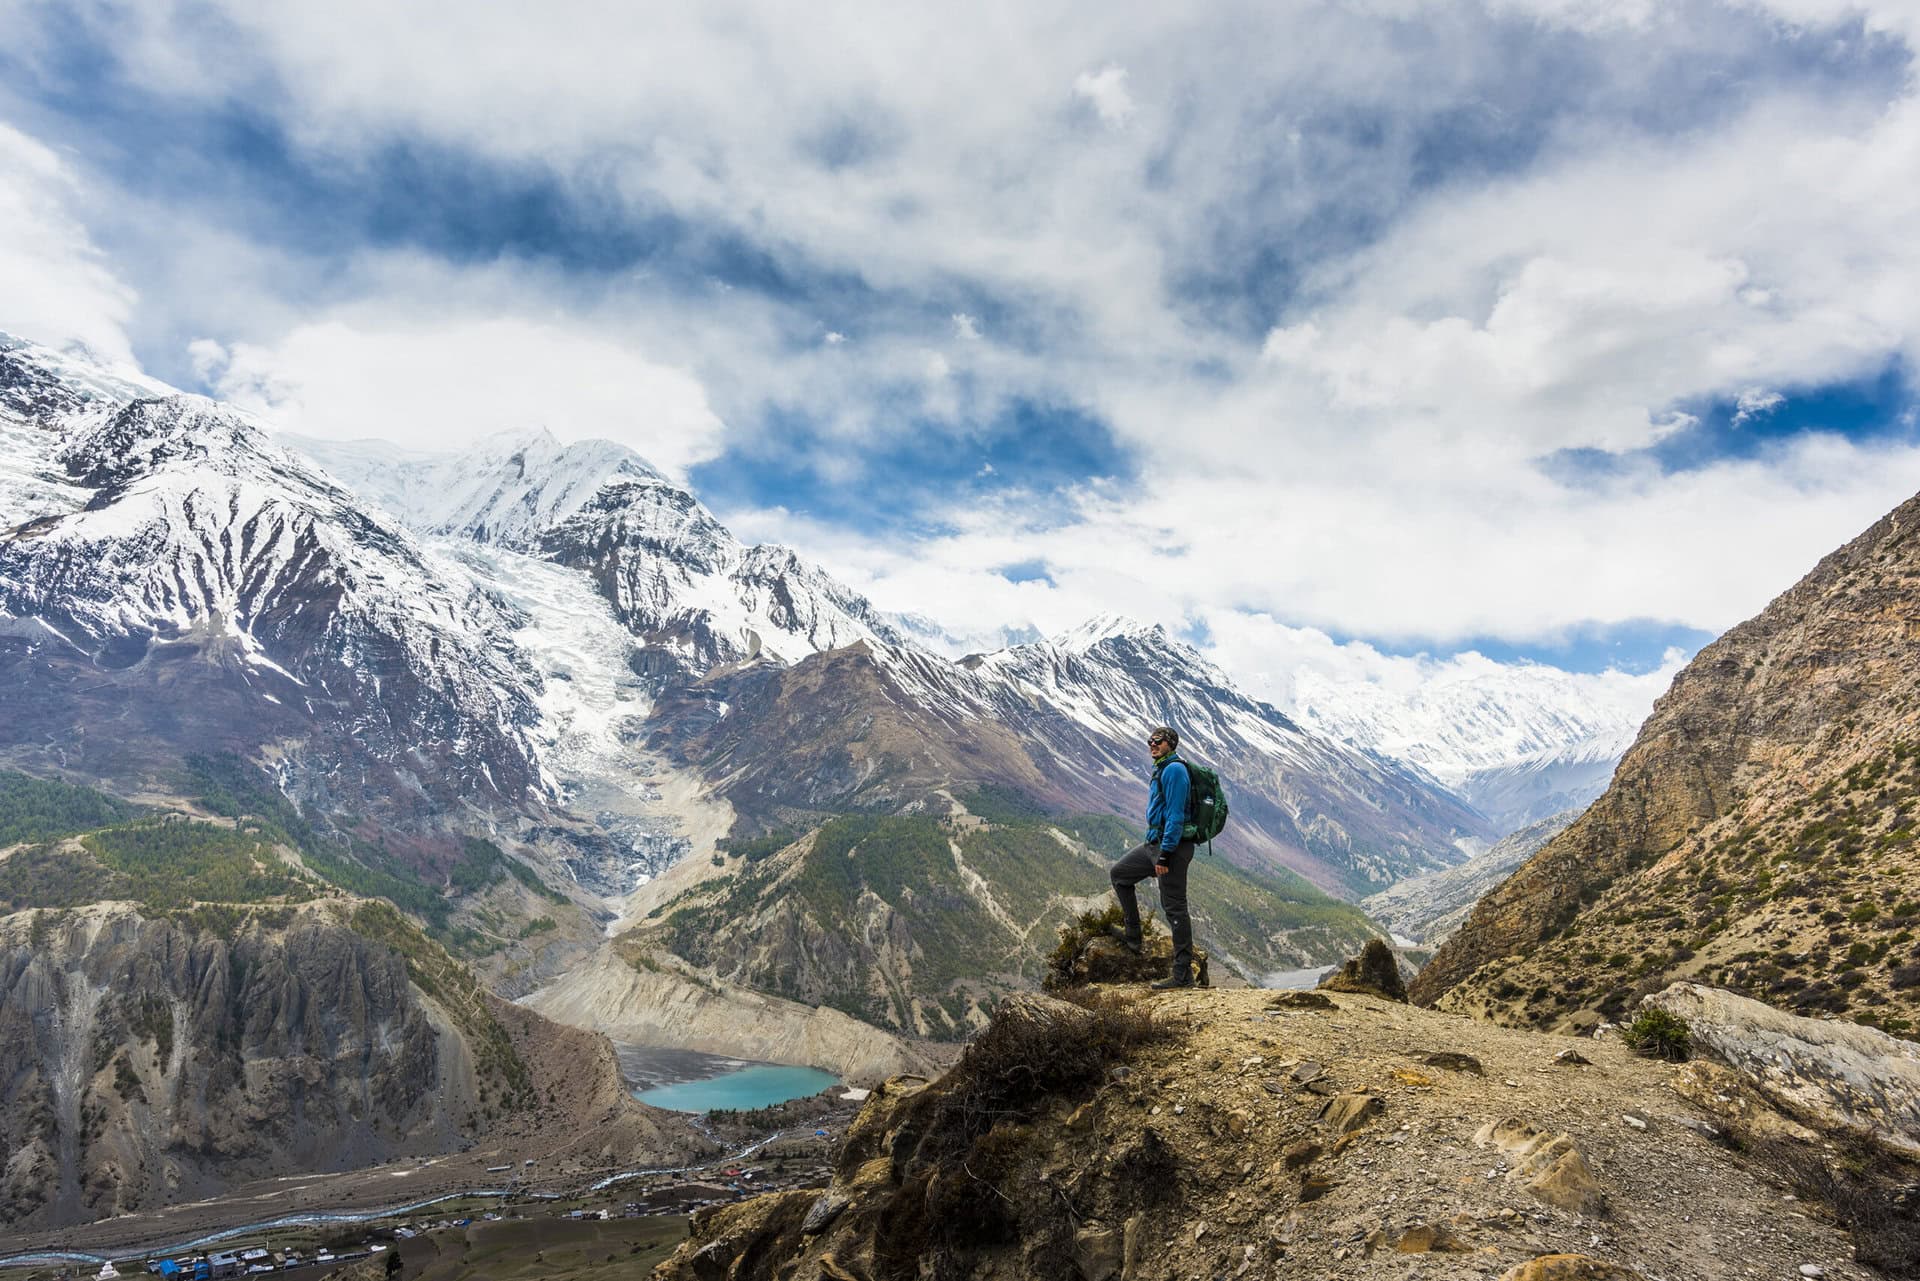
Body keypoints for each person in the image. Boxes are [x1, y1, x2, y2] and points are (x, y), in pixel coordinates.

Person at [1108, 725, 1197, 989]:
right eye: (1150, 741)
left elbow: (1176, 816)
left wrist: (1166, 855)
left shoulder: (1175, 770)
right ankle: (1133, 936)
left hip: (1171, 848)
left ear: (1171, 743)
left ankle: (1183, 977)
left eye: (1158, 741)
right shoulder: (1161, 768)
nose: (1152, 744)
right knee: (1120, 875)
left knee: (1175, 909)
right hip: (1153, 844)